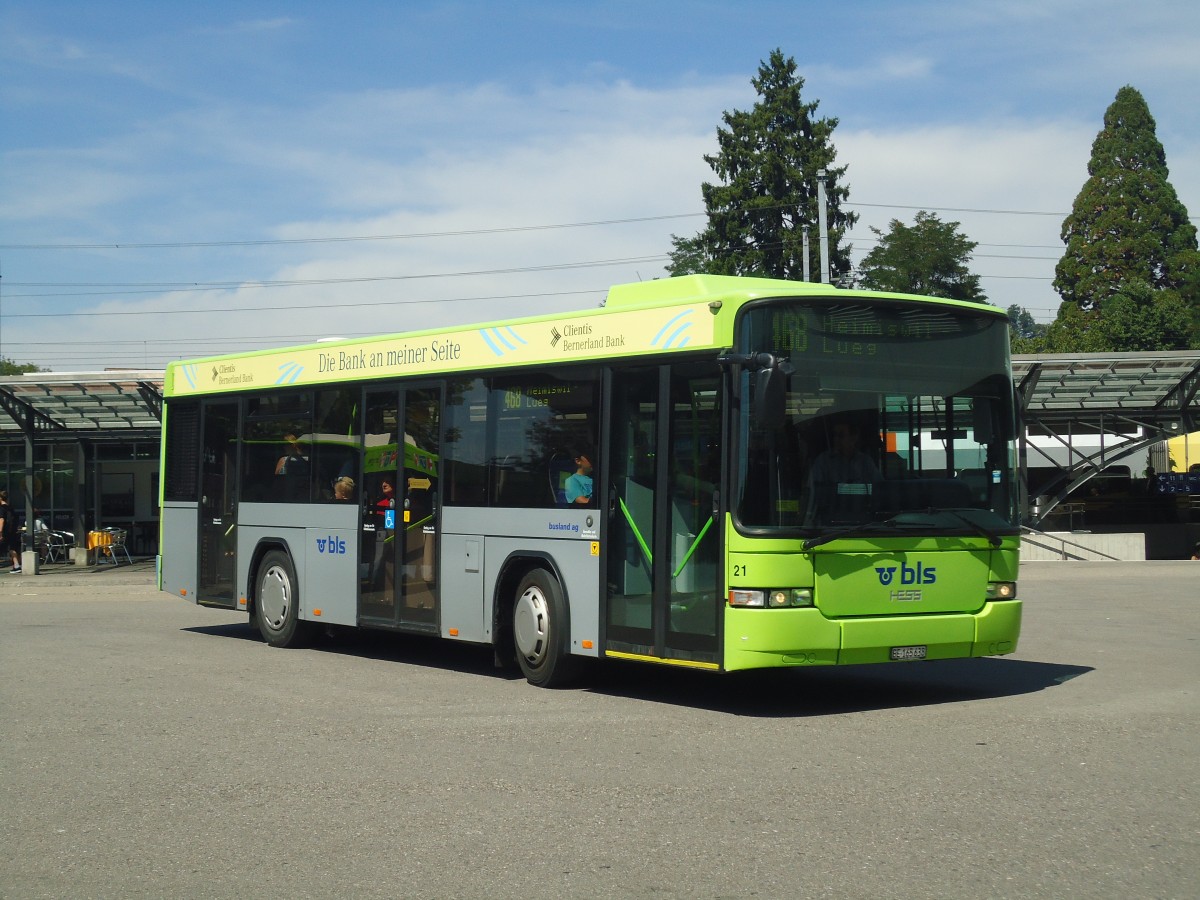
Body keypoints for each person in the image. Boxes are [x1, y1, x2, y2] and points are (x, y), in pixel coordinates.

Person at [806, 419, 879, 524]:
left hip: (863, 522)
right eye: (834, 435)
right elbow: (812, 492)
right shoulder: (823, 461)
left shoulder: (865, 461)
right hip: (828, 523)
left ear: (854, 438)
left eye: (841, 435)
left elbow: (879, 488)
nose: (836, 439)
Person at [0, 491, 20, 573]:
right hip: (12, 531)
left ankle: (17, 565)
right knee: (12, 548)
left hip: (4, 532)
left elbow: (1, 520)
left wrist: (0, 532)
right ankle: (17, 565)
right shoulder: (11, 508)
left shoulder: (2, 508)